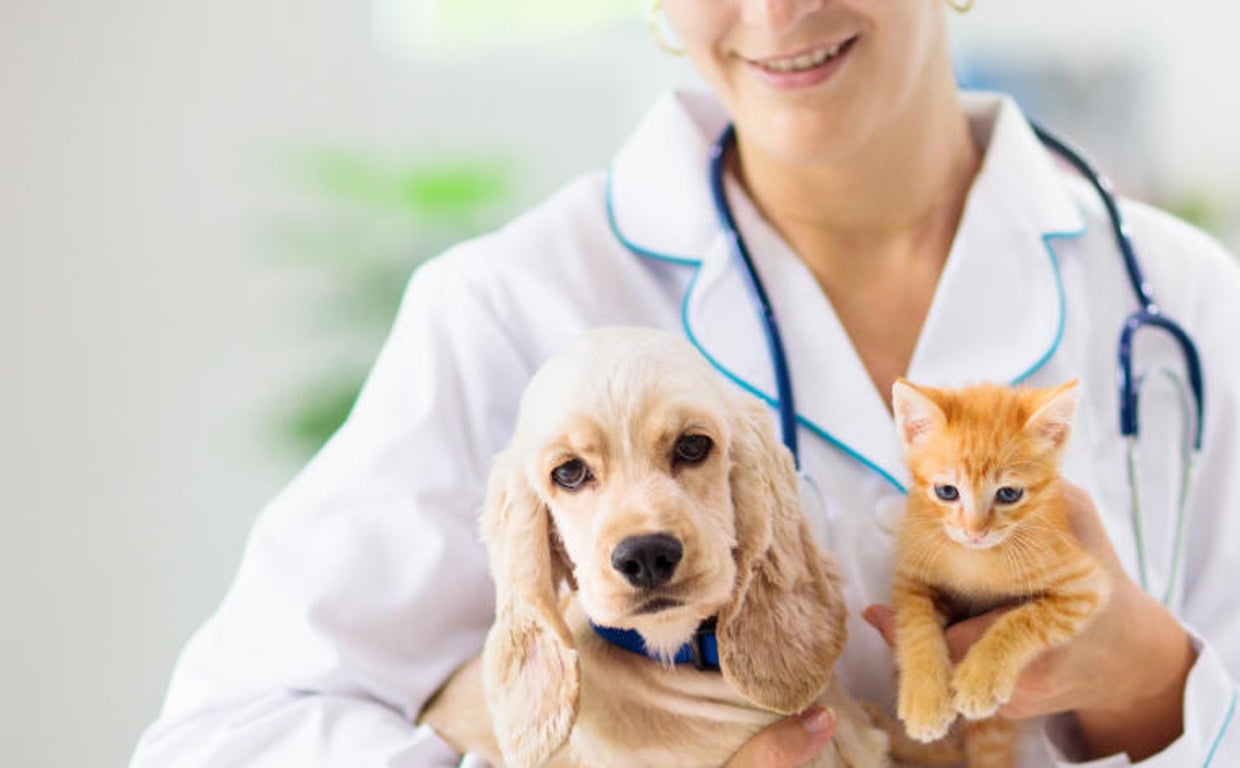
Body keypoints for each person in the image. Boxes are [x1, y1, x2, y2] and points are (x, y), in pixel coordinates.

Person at [132, 1, 1240, 766]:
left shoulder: (1181, 303)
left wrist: (1152, 678)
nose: (771, 11)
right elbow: (227, 738)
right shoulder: (508, 307)